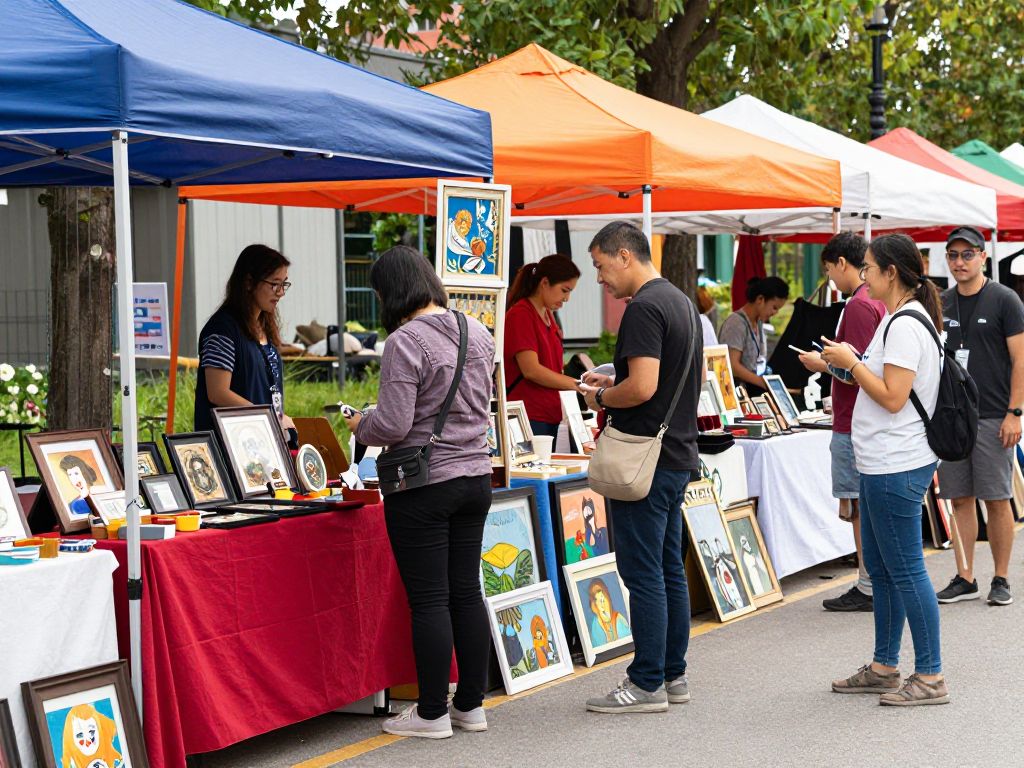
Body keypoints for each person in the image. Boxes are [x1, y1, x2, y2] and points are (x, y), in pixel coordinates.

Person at [342, 245, 495, 739]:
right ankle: (470, 706)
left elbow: (393, 424)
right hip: (476, 476)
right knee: (467, 591)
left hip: (425, 484)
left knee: (429, 600)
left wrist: (358, 422)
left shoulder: (406, 341)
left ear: (390, 292)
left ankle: (431, 713)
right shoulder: (479, 331)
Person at [579, 221, 701, 714]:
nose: (601, 279)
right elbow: (662, 374)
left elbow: (644, 387)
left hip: (644, 460)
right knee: (668, 569)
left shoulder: (644, 308)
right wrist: (614, 374)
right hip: (674, 455)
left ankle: (646, 682)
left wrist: (601, 394)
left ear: (625, 255)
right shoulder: (680, 301)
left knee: (643, 573)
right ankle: (673, 675)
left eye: (602, 266)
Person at [822, 233, 948, 706]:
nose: (864, 274)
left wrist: (851, 364)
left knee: (906, 570)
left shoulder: (905, 324)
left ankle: (931, 675)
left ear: (891, 273)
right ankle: (884, 665)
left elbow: (893, 397)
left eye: (870, 268)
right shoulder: (900, 320)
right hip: (883, 461)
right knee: (883, 568)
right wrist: (845, 363)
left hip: (897, 462)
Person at [933, 226, 1024, 606]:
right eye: (953, 255)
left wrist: (1014, 413)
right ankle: (965, 575)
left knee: (997, 498)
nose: (959, 262)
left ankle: (1000, 578)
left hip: (992, 415)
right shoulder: (941, 302)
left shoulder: (1005, 300)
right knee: (959, 499)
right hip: (953, 419)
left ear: (983, 257)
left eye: (967, 254)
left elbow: (1020, 360)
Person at [799, 232, 885, 612]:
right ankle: (871, 581)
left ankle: (868, 584)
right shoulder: (874, 303)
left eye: (830, 270)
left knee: (859, 510)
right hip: (858, 418)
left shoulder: (859, 307)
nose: (831, 278)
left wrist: (824, 363)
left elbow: (859, 369)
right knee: (862, 508)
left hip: (855, 423)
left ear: (842, 264)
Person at [194, 245, 296, 442]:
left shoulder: (263, 326)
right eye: (275, 284)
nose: (281, 292)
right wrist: (270, 418)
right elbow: (218, 392)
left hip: (261, 440)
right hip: (231, 444)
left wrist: (276, 419)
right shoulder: (222, 329)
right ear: (249, 282)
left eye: (284, 284)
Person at [504, 254, 581, 443]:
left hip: (549, 413)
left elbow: (554, 366)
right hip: (527, 414)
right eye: (564, 290)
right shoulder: (521, 314)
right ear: (545, 283)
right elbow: (531, 370)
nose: (567, 298)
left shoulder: (548, 314)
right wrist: (576, 384)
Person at [718, 276, 790, 395]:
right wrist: (763, 383)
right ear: (760, 299)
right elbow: (732, 365)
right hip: (738, 393)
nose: (775, 313)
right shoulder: (735, 323)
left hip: (753, 390)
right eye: (774, 307)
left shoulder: (758, 322)